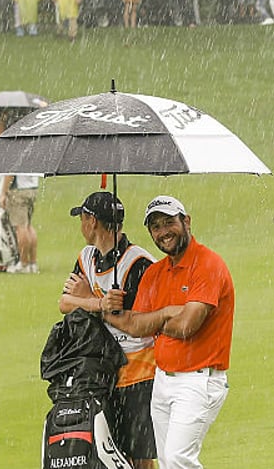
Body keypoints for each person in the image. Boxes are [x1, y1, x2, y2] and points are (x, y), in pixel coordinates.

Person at [101, 195, 233, 469]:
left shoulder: (208, 264)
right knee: (166, 461)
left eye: (169, 223)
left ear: (186, 222)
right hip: (162, 381)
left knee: (177, 459)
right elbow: (136, 327)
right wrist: (164, 313)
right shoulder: (155, 273)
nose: (163, 232)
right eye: (156, 227)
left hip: (198, 381)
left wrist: (155, 321)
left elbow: (187, 326)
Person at [59, 191, 157, 469]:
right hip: (100, 372)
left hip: (138, 372)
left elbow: (138, 322)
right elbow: (65, 302)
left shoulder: (138, 263)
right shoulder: (86, 258)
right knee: (109, 450)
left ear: (91, 221)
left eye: (82, 218)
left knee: (140, 455)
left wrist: (89, 302)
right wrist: (98, 301)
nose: (81, 224)